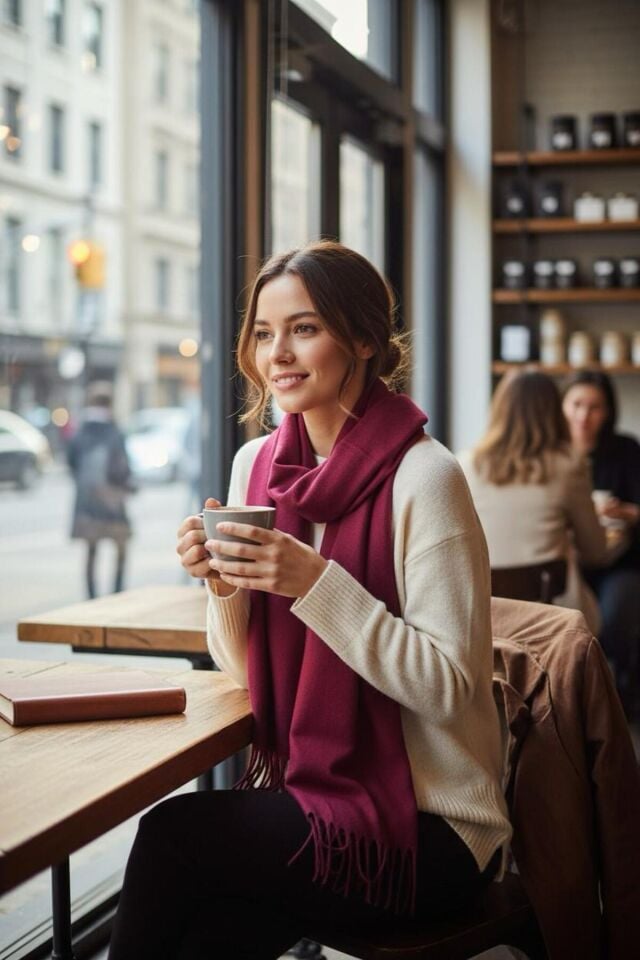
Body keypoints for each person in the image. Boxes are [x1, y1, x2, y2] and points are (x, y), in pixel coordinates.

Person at [108, 241, 511, 960]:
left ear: (363, 339)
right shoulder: (256, 466)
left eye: (304, 328)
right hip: (315, 799)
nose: (278, 354)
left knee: (173, 838)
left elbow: (451, 689)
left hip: (435, 827)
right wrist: (224, 583)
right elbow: (246, 671)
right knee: (202, 935)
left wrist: (315, 583)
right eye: (264, 333)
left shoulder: (426, 478)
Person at [458, 370, 607, 633]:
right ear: (554, 412)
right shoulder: (569, 465)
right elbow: (595, 551)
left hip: (483, 618)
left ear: (499, 409)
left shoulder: (465, 465)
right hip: (551, 618)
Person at [562, 369, 640, 707]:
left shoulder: (625, 451)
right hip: (567, 559)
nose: (584, 415)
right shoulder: (553, 453)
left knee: (616, 614)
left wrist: (624, 512)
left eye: (594, 407)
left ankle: (619, 692)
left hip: (618, 561)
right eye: (577, 404)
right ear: (562, 406)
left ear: (608, 412)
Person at [67, 381, 134, 599]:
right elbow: (122, 467)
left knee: (91, 550)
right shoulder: (114, 432)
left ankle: (91, 596)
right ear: (110, 404)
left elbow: (71, 462)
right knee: (121, 548)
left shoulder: (80, 431)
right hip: (112, 501)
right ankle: (117, 592)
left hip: (87, 502)